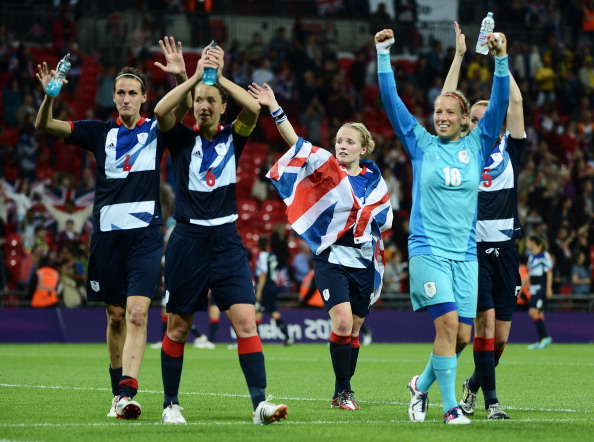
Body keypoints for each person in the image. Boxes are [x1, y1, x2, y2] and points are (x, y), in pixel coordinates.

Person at [34, 36, 191, 420]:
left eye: (132, 93)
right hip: (106, 237)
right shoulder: (97, 132)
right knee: (116, 316)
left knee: (138, 314)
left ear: (142, 98)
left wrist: (182, 75)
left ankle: (127, 393)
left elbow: (183, 108)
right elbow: (44, 125)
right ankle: (116, 391)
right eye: (119, 92)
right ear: (114, 96)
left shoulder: (157, 129)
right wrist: (50, 96)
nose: (124, 98)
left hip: (145, 235)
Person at [375, 28, 509, 424]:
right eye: (437, 112)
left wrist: (500, 59)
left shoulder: (478, 145)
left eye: (450, 112)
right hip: (428, 250)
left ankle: (420, 386)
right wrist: (384, 55)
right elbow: (391, 101)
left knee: (463, 337)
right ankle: (451, 409)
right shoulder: (421, 143)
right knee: (448, 325)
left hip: (466, 255)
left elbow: (499, 104)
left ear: (466, 119)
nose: (442, 117)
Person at [153, 42, 287, 426]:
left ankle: (260, 404)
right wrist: (197, 77)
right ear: (192, 105)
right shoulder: (180, 139)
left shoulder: (235, 135)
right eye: (199, 101)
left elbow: (253, 108)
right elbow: (162, 111)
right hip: (188, 240)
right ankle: (170, 404)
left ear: (222, 106)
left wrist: (218, 76)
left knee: (246, 322)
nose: (205, 106)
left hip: (226, 240)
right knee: (178, 326)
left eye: (212, 101)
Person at [247, 83, 393, 411]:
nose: (342, 145)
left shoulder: (374, 179)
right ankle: (344, 391)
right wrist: (274, 107)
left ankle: (343, 388)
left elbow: (384, 215)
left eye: (349, 141)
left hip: (364, 261)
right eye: (339, 140)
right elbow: (297, 144)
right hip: (331, 258)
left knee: (354, 328)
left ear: (363, 148)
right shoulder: (326, 170)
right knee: (341, 323)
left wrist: (361, 216)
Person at [440, 22, 524, 420]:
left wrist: (500, 58)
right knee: (485, 327)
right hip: (472, 250)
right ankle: (493, 403)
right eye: (471, 119)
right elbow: (447, 99)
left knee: (502, 337)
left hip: (506, 248)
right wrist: (459, 56)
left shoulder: (511, 149)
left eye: (484, 116)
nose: (477, 123)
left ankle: (473, 386)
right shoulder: (462, 152)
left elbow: (516, 105)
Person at [254, 235, 292, 346]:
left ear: (259, 245)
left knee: (258, 312)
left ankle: (254, 341)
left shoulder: (262, 256)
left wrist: (259, 291)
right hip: (272, 286)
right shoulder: (272, 255)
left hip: (265, 287)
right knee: (273, 312)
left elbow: (263, 274)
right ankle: (287, 337)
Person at [525, 235, 554, 349]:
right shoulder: (531, 257)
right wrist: (521, 287)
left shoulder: (544, 255)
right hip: (533, 288)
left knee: (532, 312)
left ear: (533, 242)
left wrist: (549, 288)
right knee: (539, 314)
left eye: (528, 241)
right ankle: (542, 339)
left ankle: (545, 337)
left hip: (541, 287)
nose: (526, 244)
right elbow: (529, 274)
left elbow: (549, 272)